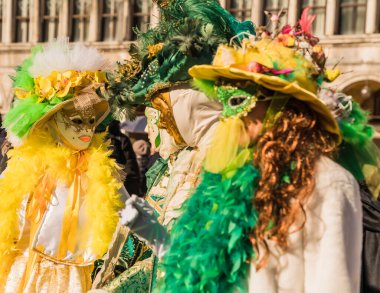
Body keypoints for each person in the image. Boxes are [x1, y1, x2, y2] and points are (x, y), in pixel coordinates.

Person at [159, 9, 365, 292]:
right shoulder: (234, 177)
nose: (230, 117)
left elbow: (333, 283)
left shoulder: (327, 183)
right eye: (223, 102)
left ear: (280, 107)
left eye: (238, 101)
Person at [92, 0, 255, 291]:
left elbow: (207, 268)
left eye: (161, 105)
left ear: (195, 99)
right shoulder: (179, 165)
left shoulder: (236, 167)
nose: (159, 124)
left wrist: (148, 232)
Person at [0, 40, 131, 292]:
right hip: (15, 273)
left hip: (65, 280)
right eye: (76, 120)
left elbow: (133, 214)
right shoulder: (27, 162)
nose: (86, 130)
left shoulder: (98, 171)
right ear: (50, 122)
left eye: (91, 121)